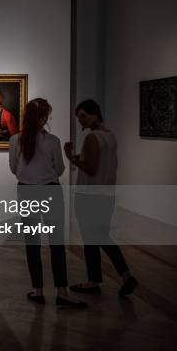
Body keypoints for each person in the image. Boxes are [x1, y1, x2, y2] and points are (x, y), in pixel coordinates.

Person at [9, 98, 87, 308]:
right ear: (43, 118)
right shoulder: (52, 141)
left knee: (32, 244)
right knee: (56, 243)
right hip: (51, 192)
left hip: (26, 191)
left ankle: (38, 291)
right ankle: (62, 291)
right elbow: (60, 169)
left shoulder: (16, 140)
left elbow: (13, 168)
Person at [64, 99, 138, 297]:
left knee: (91, 238)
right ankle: (125, 275)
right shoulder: (111, 136)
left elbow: (91, 168)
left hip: (89, 195)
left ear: (95, 114)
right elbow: (103, 164)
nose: (81, 121)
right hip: (106, 194)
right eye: (79, 118)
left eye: (83, 116)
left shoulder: (92, 138)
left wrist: (70, 157)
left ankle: (93, 281)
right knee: (103, 236)